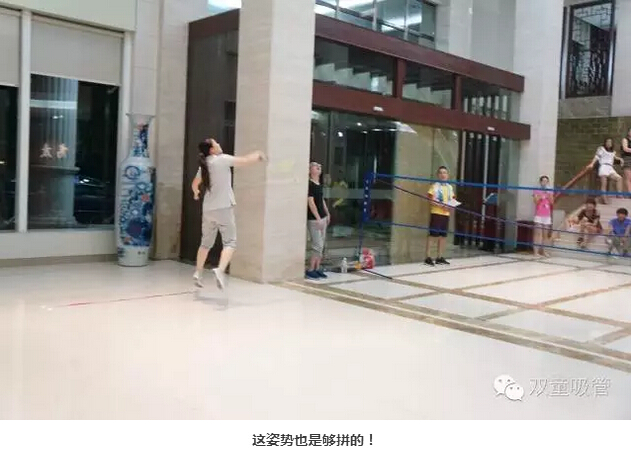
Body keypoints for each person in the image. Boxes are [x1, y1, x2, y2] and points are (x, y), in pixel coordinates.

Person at [191, 138, 266, 288]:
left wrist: (196, 193)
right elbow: (244, 161)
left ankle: (198, 273)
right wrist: (258, 155)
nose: (219, 144)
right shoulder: (222, 159)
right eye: (216, 143)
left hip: (208, 209)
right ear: (212, 150)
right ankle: (220, 270)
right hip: (224, 207)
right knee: (230, 242)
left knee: (205, 243)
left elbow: (194, 184)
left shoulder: (204, 165)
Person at [425, 166, 456, 266]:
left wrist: (450, 207)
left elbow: (453, 200)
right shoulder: (434, 186)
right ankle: (428, 257)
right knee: (433, 235)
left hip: (446, 214)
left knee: (443, 236)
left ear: (447, 175)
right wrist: (441, 206)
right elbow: (430, 199)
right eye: (441, 173)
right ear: (438, 175)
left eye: (445, 173)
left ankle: (439, 257)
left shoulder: (450, 187)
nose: (443, 175)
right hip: (436, 213)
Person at [306, 162, 330, 280]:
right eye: (316, 166)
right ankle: (311, 269)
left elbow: (321, 200)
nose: (319, 168)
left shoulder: (319, 184)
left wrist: (327, 213)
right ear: (310, 170)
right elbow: (311, 202)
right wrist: (318, 218)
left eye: (320, 167)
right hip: (314, 219)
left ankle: (317, 268)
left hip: (322, 217)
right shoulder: (310, 185)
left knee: (321, 245)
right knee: (317, 245)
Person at [589, 138, 623, 203]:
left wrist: (620, 159)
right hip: (603, 166)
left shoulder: (613, 151)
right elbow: (596, 157)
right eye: (607, 142)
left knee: (619, 178)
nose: (609, 143)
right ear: (605, 143)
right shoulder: (601, 149)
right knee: (604, 184)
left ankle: (619, 195)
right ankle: (604, 199)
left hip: (610, 168)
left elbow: (614, 157)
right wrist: (592, 164)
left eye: (610, 142)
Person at [532, 175, 553, 257]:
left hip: (547, 215)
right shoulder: (536, 190)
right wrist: (540, 196)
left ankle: (544, 251)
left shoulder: (550, 190)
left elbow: (552, 202)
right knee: (538, 233)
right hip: (539, 215)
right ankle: (535, 252)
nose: (545, 182)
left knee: (545, 234)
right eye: (543, 181)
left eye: (546, 181)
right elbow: (535, 202)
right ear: (540, 182)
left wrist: (548, 194)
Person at [621, 128, 631, 193]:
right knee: (628, 177)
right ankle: (630, 193)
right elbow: (625, 148)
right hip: (627, 159)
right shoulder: (625, 139)